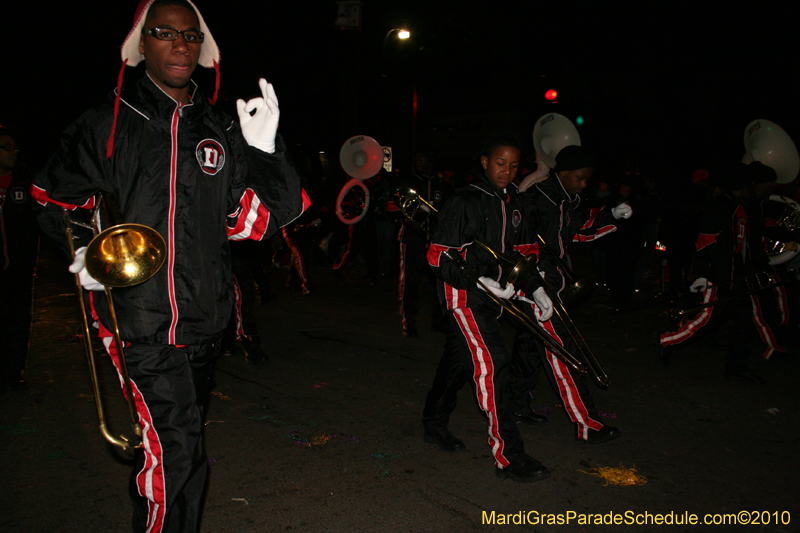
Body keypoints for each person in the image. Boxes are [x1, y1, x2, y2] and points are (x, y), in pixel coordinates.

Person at [32, 0, 309, 530]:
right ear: (141, 45)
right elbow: (53, 199)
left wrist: (266, 151)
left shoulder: (219, 127)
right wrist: (85, 249)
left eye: (191, 35)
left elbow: (254, 223)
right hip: (136, 315)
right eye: (165, 33)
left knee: (183, 448)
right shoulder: (106, 122)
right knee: (175, 448)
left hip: (204, 318)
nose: (181, 44)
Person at [424, 135, 554, 483]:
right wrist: (478, 280)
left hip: (492, 297)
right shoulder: (465, 200)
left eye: (514, 165)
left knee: (459, 362)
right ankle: (509, 456)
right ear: (484, 162)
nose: (507, 171)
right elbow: (438, 255)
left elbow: (519, 255)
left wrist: (536, 288)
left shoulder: (513, 202)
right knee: (494, 364)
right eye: (500, 163)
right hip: (463, 295)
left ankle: (433, 422)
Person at [510, 145, 630, 443]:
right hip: (537, 287)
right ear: (563, 173)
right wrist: (535, 285)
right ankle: (586, 422)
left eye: (587, 178)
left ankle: (515, 404)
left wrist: (610, 214)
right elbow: (519, 245)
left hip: (553, 283)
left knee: (529, 350)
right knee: (563, 352)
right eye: (580, 177)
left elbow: (576, 230)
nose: (584, 184)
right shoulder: (538, 199)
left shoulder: (565, 199)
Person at [657, 162, 784, 379]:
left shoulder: (739, 206)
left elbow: (743, 245)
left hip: (736, 276)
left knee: (742, 322)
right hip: (719, 275)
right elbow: (704, 243)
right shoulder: (720, 206)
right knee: (708, 318)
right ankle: (665, 341)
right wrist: (702, 273)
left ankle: (737, 367)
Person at [0, 128, 40, 397]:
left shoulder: (25, 182)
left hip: (18, 270)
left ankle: (14, 374)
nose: (13, 152)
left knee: (17, 320)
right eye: (6, 147)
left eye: (14, 147)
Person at [397, 149, 452, 337]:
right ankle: (409, 323)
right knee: (410, 283)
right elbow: (395, 205)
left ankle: (438, 320)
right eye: (416, 158)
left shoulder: (442, 185)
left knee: (440, 284)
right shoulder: (410, 182)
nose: (418, 161)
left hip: (435, 242)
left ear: (430, 160)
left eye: (421, 158)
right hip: (413, 239)